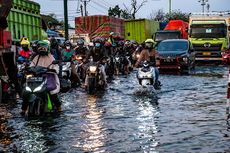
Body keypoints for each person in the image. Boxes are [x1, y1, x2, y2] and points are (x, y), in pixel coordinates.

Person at [21, 40, 62, 115]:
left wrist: (53, 69)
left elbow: (56, 67)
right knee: (27, 91)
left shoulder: (51, 57)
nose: (42, 49)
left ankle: (59, 108)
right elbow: (32, 65)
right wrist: (29, 69)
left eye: (44, 47)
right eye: (40, 48)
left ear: (48, 48)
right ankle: (23, 109)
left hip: (48, 76)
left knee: (51, 92)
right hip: (36, 77)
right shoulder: (36, 57)